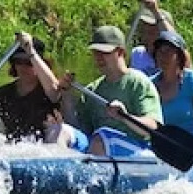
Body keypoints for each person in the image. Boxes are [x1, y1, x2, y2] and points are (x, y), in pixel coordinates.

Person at [57, 25, 163, 158]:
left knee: (102, 137)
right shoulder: (93, 88)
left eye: (104, 52)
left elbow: (152, 128)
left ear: (120, 52)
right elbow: (78, 128)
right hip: (99, 144)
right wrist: (66, 94)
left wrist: (124, 116)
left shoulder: (139, 82)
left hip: (136, 149)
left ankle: (93, 169)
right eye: (96, 52)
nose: (99, 57)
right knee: (61, 131)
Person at [149, 28, 193, 153]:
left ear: (179, 56)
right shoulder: (149, 85)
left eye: (168, 52)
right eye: (160, 52)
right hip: (161, 150)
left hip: (190, 149)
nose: (163, 56)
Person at [128, 0, 176, 77]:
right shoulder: (136, 53)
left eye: (154, 26)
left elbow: (173, 39)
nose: (148, 29)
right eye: (146, 25)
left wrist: (155, 10)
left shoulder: (175, 58)